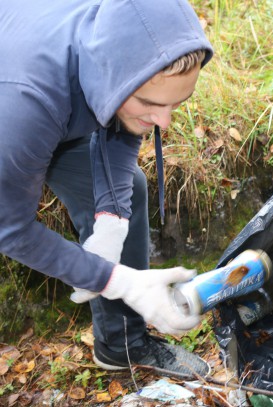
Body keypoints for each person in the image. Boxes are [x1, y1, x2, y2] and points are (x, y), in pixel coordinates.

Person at [1, 0, 214, 379]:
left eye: (176, 104)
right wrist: (121, 282)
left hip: (57, 98)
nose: (162, 121)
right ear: (109, 75)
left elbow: (125, 123)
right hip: (17, 111)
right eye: (150, 103)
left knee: (126, 187)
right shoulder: (25, 101)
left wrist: (111, 221)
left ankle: (122, 346)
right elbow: (11, 229)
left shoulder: (118, 34)